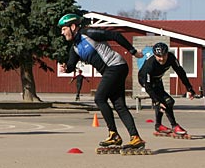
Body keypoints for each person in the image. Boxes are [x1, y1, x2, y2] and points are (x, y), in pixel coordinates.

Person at [58, 13, 145, 148]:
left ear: (73, 26)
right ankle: (135, 137)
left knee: (99, 98)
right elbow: (71, 65)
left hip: (116, 66)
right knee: (119, 105)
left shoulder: (88, 33)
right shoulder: (75, 47)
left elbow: (115, 35)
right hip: (112, 70)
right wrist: (66, 68)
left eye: (63, 29)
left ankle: (113, 134)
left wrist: (133, 51)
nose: (62, 33)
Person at [138, 42, 196, 136]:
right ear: (154, 55)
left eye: (163, 56)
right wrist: (156, 100)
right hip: (146, 81)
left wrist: (189, 88)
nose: (161, 59)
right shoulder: (150, 64)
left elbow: (180, 72)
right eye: (158, 56)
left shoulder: (171, 58)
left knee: (164, 103)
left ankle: (158, 125)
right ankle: (174, 126)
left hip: (157, 79)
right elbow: (148, 86)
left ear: (167, 53)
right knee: (168, 102)